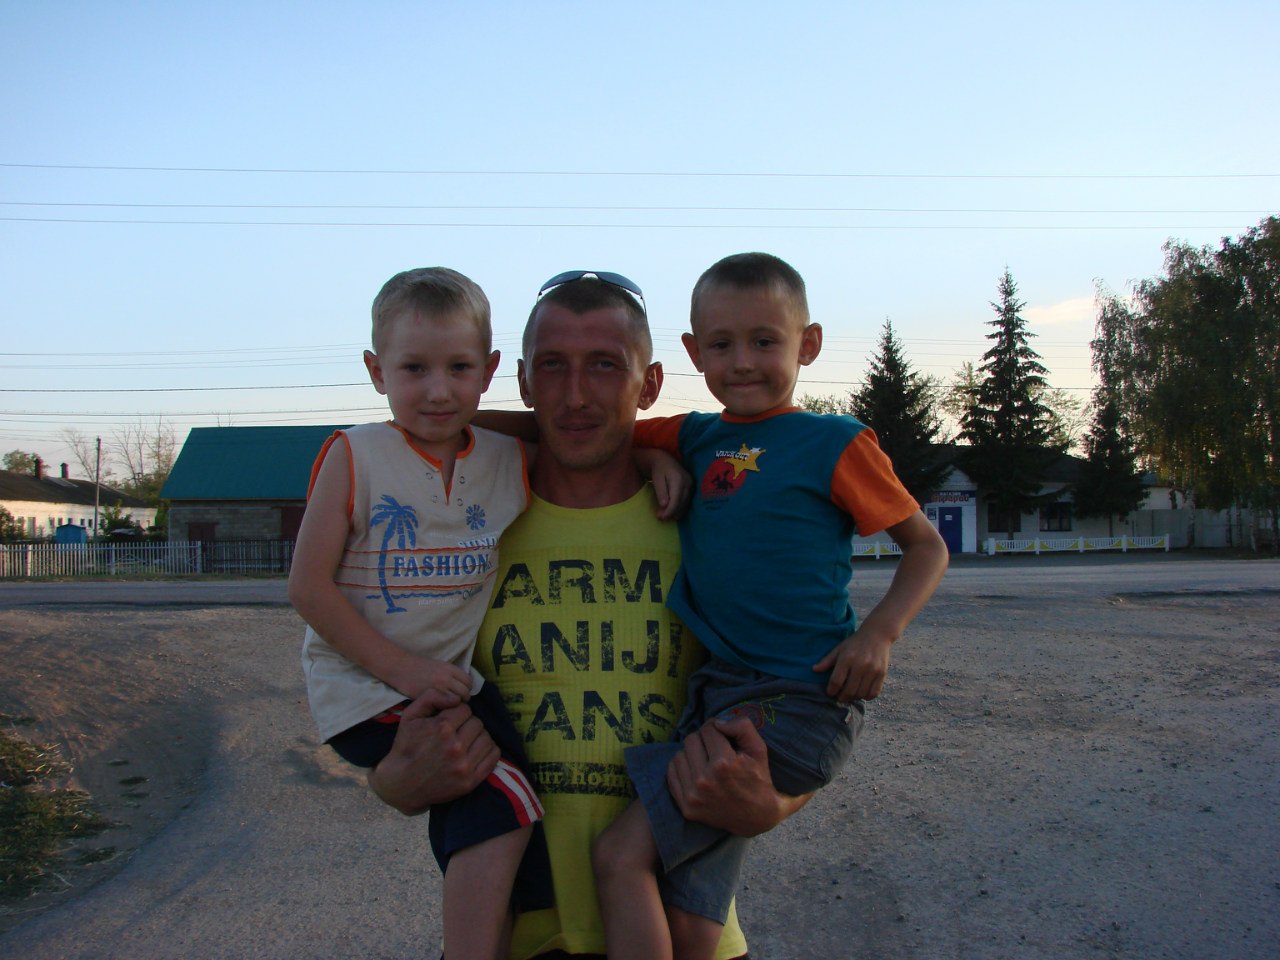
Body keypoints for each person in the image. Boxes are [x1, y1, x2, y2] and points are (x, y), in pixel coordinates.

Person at [368, 270, 806, 960]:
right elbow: (383, 704)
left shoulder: (704, 529)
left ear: (650, 383)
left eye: (605, 365)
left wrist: (776, 804)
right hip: (516, 934)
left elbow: (797, 695)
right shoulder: (463, 532)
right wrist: (391, 781)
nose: (575, 395)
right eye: (552, 367)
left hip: (678, 936)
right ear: (521, 381)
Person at [591, 252, 951, 960]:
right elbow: (595, 431)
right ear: (694, 351)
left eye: (765, 341)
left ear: (807, 344)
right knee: (692, 918)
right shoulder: (697, 436)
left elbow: (927, 547)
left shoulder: (834, 442)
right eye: (721, 345)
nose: (743, 362)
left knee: (618, 858)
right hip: (723, 695)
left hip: (796, 699)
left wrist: (879, 634)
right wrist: (655, 458)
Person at [289, 266, 550, 960]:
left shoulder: (507, 459)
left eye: (459, 367)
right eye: (414, 369)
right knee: (508, 805)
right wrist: (402, 671)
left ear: (490, 370)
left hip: (448, 686)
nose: (438, 390)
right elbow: (308, 588)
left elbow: (582, 438)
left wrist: (655, 458)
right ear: (377, 371)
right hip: (368, 691)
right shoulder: (355, 455)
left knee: (511, 827)